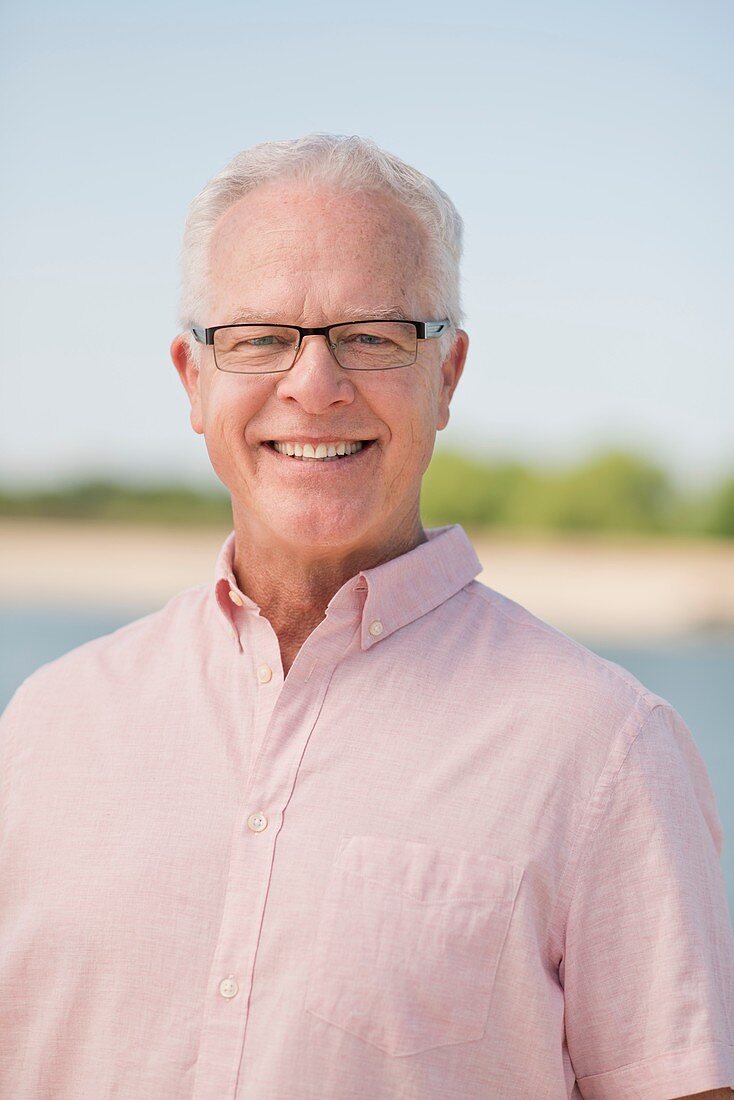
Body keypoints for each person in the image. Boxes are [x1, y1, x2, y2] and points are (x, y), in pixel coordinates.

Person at [0, 134, 732, 1100]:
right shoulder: (43, 730)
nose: (314, 385)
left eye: (372, 334)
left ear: (449, 376)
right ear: (193, 379)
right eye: (259, 336)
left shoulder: (605, 747)